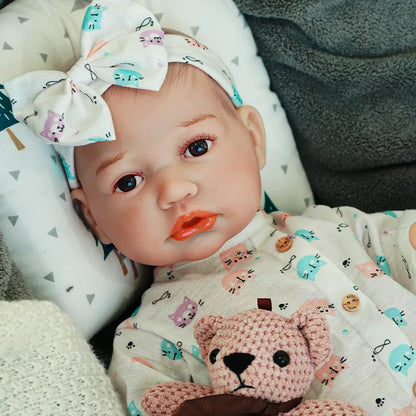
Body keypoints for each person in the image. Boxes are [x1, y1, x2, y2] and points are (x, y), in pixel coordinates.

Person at [5, 2, 416, 415]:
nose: (175, 190)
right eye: (128, 181)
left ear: (254, 138)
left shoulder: (333, 225)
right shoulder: (146, 339)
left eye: (196, 147)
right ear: (94, 219)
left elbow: (405, 244)